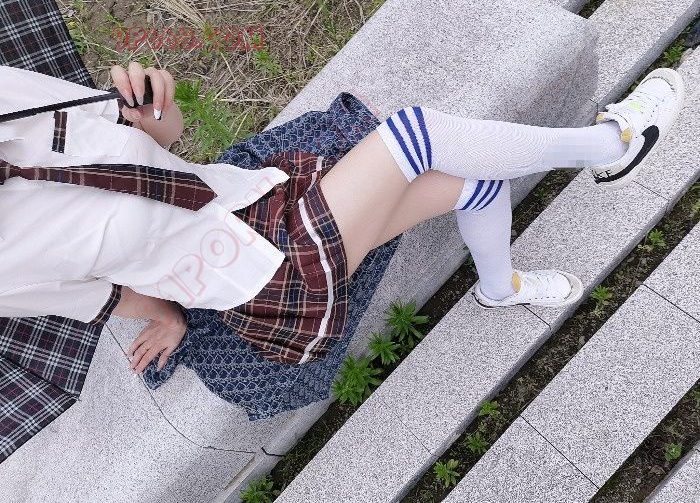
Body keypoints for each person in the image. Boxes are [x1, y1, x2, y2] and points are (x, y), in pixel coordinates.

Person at [0, 62, 685, 376]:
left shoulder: (11, 97)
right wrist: (168, 316)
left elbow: (164, 138)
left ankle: (499, 289)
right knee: (414, 134)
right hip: (262, 282)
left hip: (258, 199)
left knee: (476, 187)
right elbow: (99, 295)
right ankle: (612, 146)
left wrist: (151, 105)